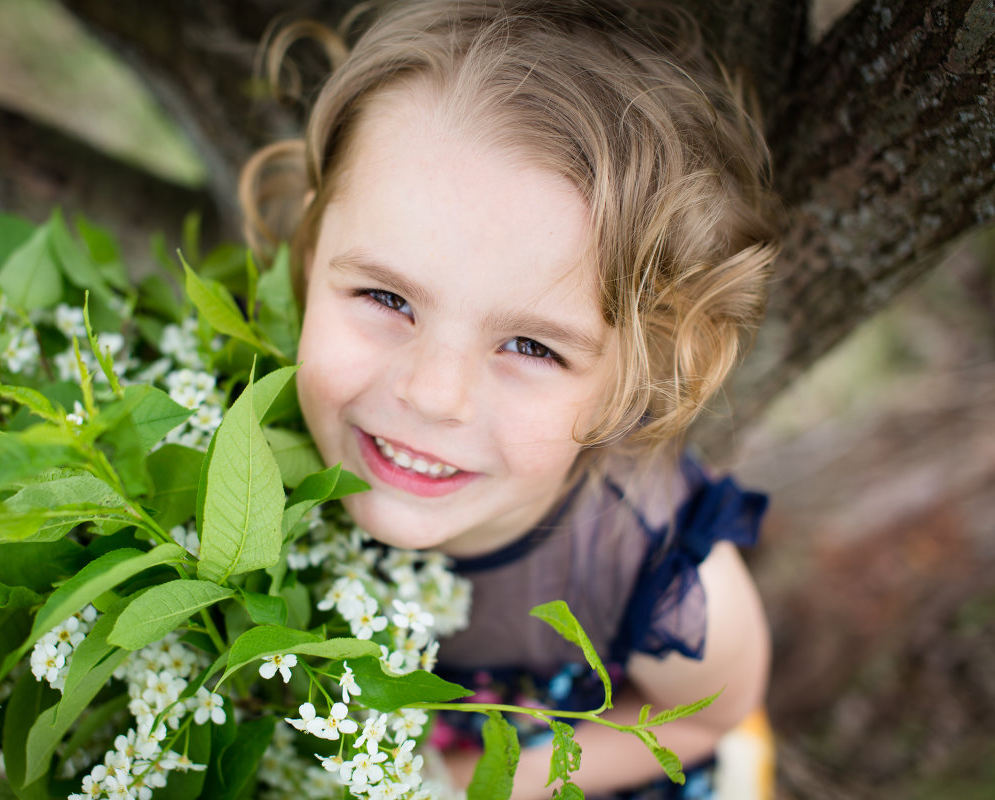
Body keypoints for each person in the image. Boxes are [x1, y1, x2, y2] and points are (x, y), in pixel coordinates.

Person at [239, 1, 782, 797]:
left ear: (635, 376)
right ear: (313, 250)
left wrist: (453, 786)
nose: (431, 395)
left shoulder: (649, 567)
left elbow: (705, 716)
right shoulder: (244, 428)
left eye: (531, 346)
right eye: (387, 298)